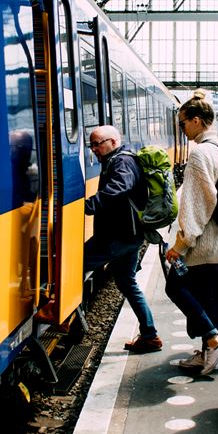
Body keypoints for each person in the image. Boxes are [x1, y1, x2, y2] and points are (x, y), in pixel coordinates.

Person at [164, 91, 218, 375]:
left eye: (183, 124)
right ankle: (207, 351)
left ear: (196, 121)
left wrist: (180, 246)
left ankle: (214, 341)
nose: (181, 130)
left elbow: (197, 206)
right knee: (204, 295)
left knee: (175, 286)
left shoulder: (199, 155)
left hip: (201, 243)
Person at [84, 125, 162, 353]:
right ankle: (150, 336)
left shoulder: (122, 162)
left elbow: (119, 187)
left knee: (72, 266)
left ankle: (59, 316)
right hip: (129, 235)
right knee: (127, 283)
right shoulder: (118, 160)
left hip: (117, 236)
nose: (94, 149)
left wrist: (90, 205)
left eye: (97, 144)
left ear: (113, 142)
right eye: (92, 145)